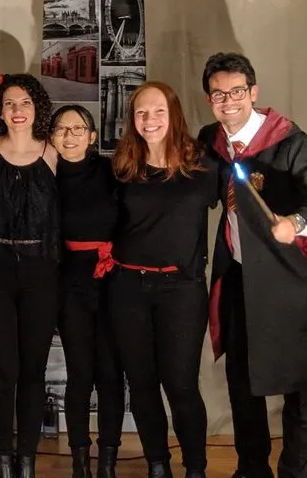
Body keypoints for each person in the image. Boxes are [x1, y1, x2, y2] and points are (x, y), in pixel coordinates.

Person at [197, 53, 307, 478]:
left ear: (253, 92)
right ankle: (252, 468)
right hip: (240, 276)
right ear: (209, 99)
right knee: (242, 380)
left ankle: (296, 470)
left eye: (237, 91)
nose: (228, 101)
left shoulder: (290, 142)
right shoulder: (211, 142)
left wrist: (295, 223)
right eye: (218, 94)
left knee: (299, 381)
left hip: (290, 280)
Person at [108, 81, 218, 478]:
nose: (149, 119)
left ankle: (196, 469)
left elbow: (243, 206)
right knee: (141, 383)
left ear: (174, 115)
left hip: (182, 289)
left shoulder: (204, 166)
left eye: (158, 111)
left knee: (181, 383)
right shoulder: (123, 167)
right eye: (141, 112)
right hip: (128, 288)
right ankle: (158, 464)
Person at [0, 73, 60, 478]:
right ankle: (3, 460)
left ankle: (27, 460)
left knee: (33, 371)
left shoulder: (54, 151)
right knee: (3, 370)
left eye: (25, 102)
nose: (17, 110)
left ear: (37, 107)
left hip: (41, 271)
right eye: (9, 103)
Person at [50, 105, 124, 478]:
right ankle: (80, 461)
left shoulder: (111, 171)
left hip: (112, 277)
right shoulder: (44, 174)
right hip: (69, 281)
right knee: (80, 372)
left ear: (92, 136)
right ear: (50, 136)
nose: (69, 136)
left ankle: (108, 462)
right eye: (61, 129)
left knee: (110, 372)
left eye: (78, 128)